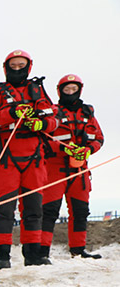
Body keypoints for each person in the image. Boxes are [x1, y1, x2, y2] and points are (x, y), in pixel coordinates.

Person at [0, 50, 58, 269]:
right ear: (6, 68)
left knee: (34, 210)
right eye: (13, 66)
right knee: (4, 210)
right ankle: (3, 257)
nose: (17, 70)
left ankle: (33, 256)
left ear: (28, 67)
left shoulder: (39, 92)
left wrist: (42, 124)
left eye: (21, 66)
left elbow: (55, 119)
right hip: (7, 157)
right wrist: (12, 113)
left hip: (34, 158)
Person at [40, 74, 105, 259]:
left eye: (74, 89)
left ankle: (78, 249)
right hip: (55, 170)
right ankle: (42, 251)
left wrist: (88, 150)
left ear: (80, 90)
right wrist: (64, 148)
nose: (70, 93)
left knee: (80, 211)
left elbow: (99, 138)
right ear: (60, 91)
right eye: (66, 89)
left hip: (80, 170)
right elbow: (42, 140)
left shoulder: (88, 114)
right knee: (49, 211)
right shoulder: (52, 113)